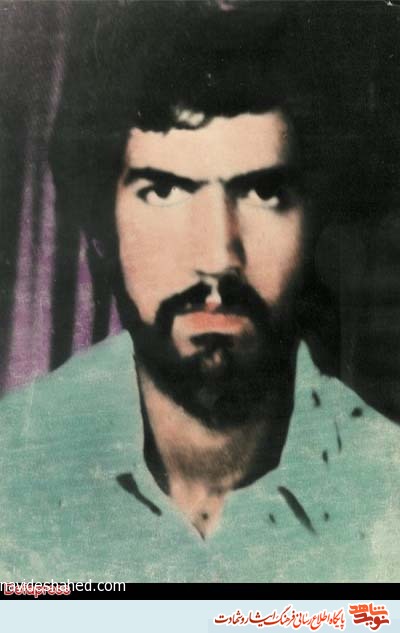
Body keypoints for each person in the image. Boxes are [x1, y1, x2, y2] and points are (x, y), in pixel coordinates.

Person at [1, 1, 399, 583]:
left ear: (314, 221)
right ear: (104, 228)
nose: (217, 257)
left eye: (263, 193)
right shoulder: (13, 471)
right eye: (164, 192)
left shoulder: (388, 486)